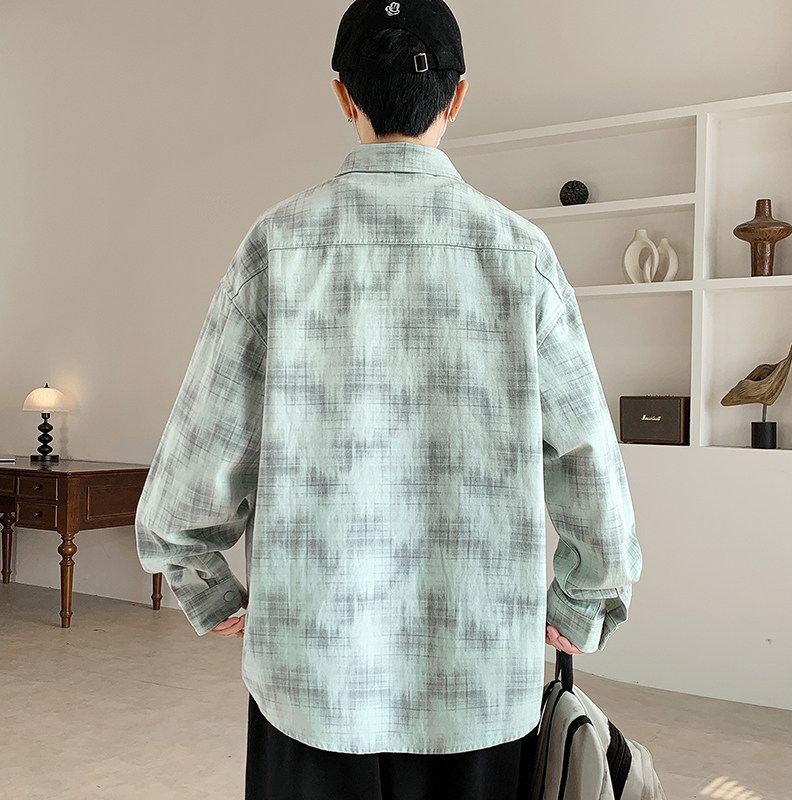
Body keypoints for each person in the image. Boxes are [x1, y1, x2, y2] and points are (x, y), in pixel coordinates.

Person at [134, 1, 643, 798]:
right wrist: (584, 599)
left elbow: (197, 458)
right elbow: (587, 454)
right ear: (459, 95)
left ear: (344, 95)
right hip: (478, 686)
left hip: (312, 682)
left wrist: (203, 582)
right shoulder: (522, 255)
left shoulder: (277, 247)